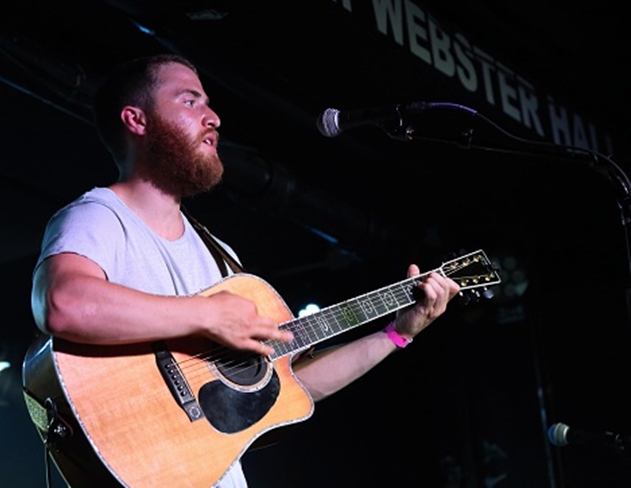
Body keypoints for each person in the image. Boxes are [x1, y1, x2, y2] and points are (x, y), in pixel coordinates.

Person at [30, 54, 460, 487]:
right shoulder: (100, 216)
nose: (213, 117)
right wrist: (208, 315)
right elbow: (63, 304)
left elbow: (292, 387)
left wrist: (399, 332)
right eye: (190, 101)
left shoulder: (220, 256)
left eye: (208, 103)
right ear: (136, 120)